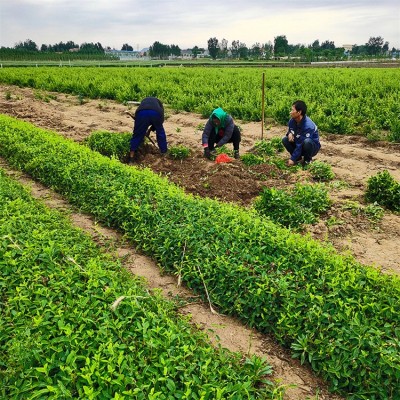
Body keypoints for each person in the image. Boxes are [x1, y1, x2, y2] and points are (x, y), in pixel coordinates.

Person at [282, 100, 321, 166]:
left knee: (307, 142)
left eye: (292, 110)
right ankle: (298, 159)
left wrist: (292, 158)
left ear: (299, 112)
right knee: (285, 139)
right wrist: (290, 133)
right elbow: (290, 130)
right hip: (299, 142)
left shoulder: (308, 126)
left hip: (311, 147)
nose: (290, 112)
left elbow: (301, 144)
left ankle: (307, 160)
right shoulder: (292, 120)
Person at [129, 96, 168, 162]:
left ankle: (131, 157)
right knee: (160, 132)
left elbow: (140, 121)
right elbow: (159, 122)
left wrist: (147, 130)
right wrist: (151, 130)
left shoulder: (143, 102)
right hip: (156, 113)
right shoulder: (159, 105)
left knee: (137, 134)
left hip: (141, 113)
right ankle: (164, 152)